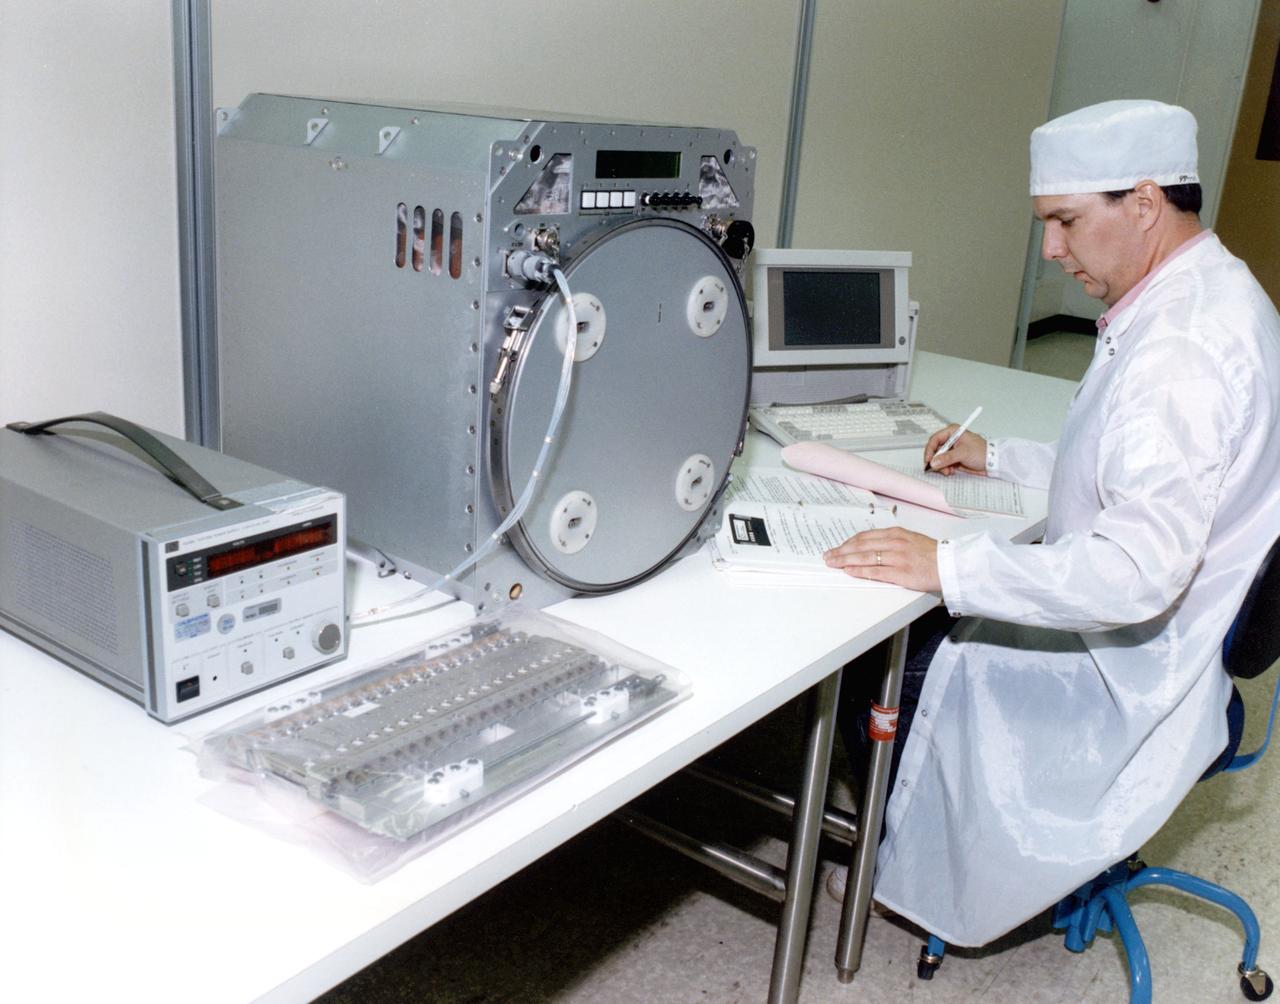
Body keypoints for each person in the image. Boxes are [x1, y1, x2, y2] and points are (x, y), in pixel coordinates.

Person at [823, 99, 1280, 947]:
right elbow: (1131, 466)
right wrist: (1001, 459)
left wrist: (947, 569)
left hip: (1138, 676)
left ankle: (929, 871)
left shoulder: (1181, 353)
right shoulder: (1220, 290)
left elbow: (1134, 575)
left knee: (884, 661)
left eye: (1066, 221)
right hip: (1188, 644)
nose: (1052, 249)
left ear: (1143, 203)